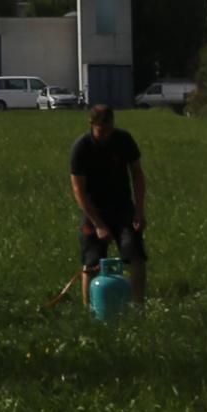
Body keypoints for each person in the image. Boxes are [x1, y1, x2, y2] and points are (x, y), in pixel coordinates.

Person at [67, 99, 146, 304]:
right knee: (91, 261)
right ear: (91, 124)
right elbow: (78, 191)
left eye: (109, 129)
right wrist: (99, 225)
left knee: (136, 256)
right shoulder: (81, 148)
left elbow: (137, 175)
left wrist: (139, 211)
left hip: (122, 208)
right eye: (101, 131)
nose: (106, 135)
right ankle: (90, 310)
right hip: (93, 209)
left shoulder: (124, 140)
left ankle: (138, 307)